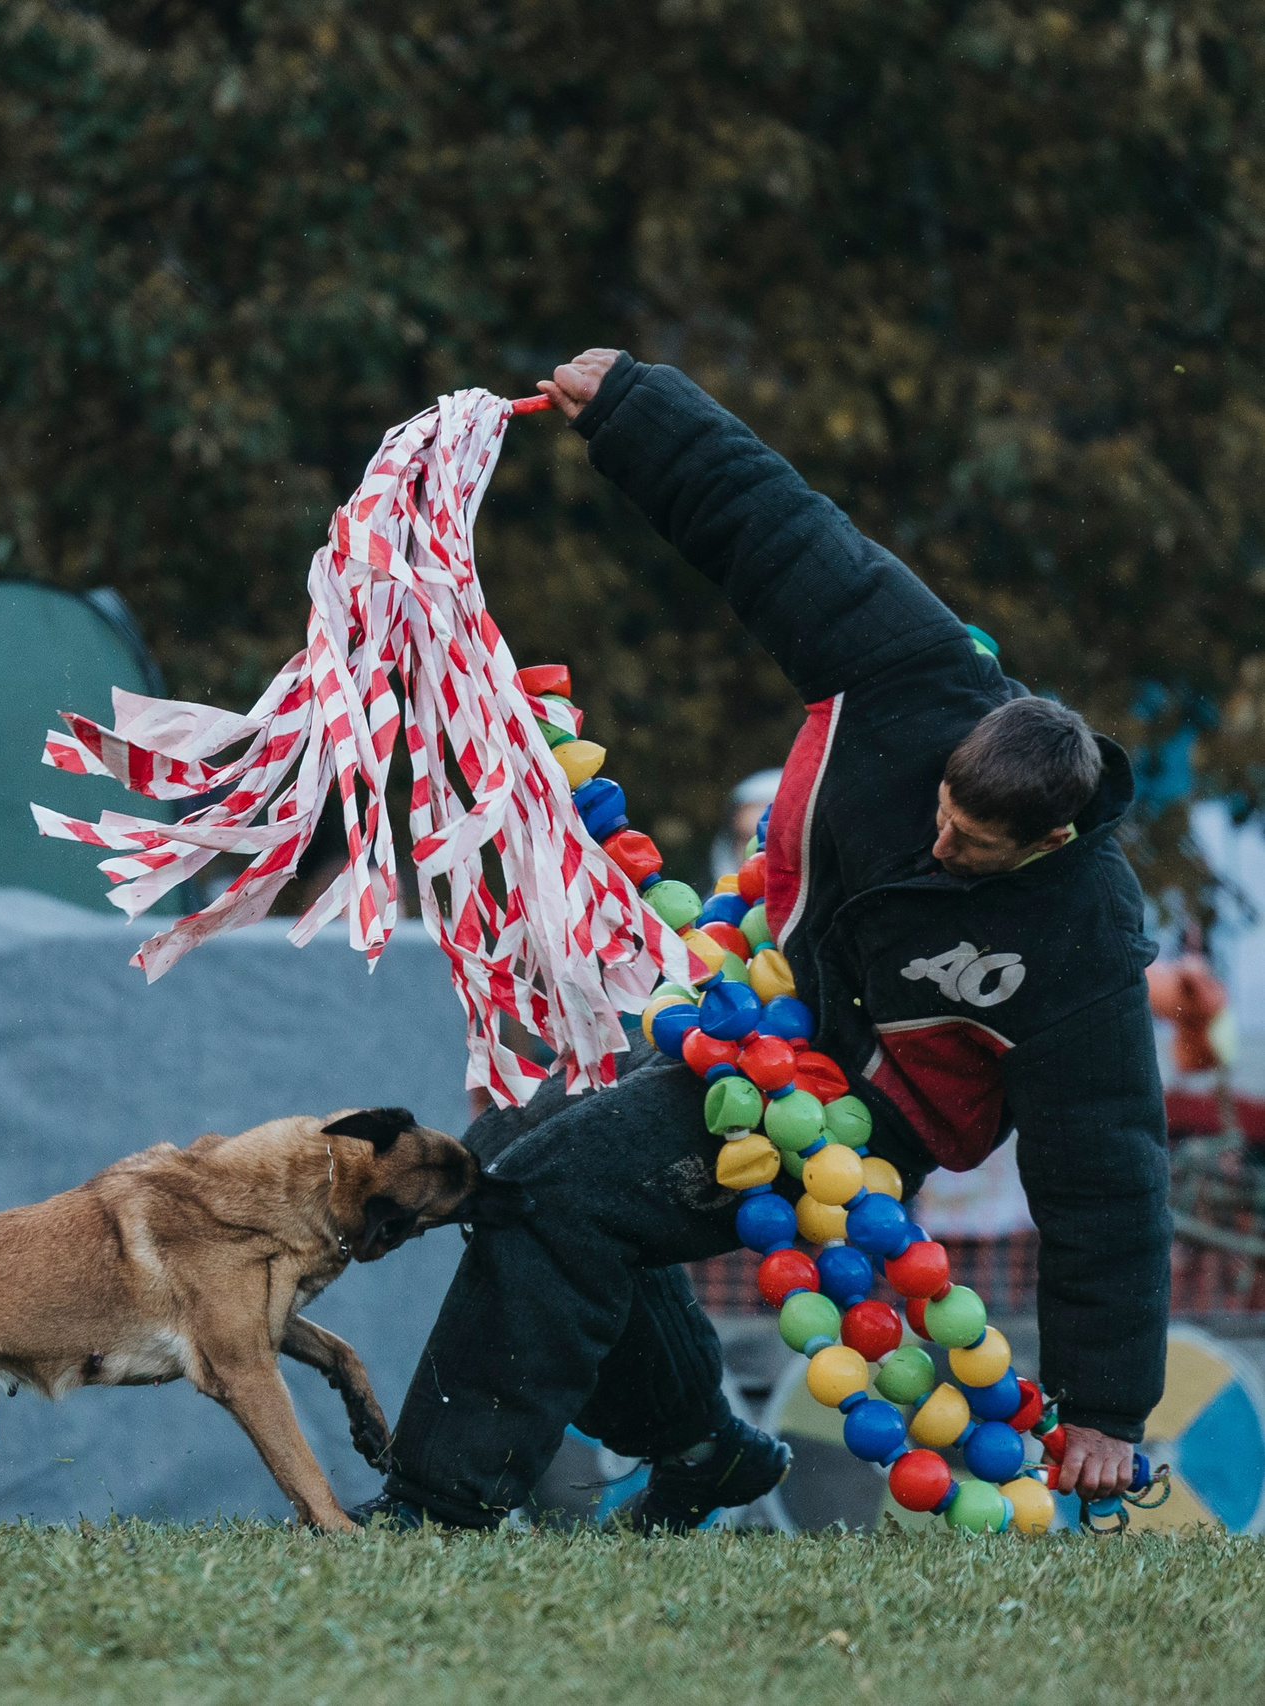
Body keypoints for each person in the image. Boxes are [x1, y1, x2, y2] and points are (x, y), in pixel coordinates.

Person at [351, 348, 1170, 1531]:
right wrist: (634, 406)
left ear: (1046, 837)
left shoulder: (1083, 930)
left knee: (549, 1190)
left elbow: (1106, 1167)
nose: (940, 844)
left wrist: (1106, 1402)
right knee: (504, 1166)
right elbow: (778, 530)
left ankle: (435, 1509)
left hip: (845, 1121)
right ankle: (703, 1448)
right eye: (940, 808)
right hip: (742, 1010)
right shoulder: (918, 670)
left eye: (976, 845)